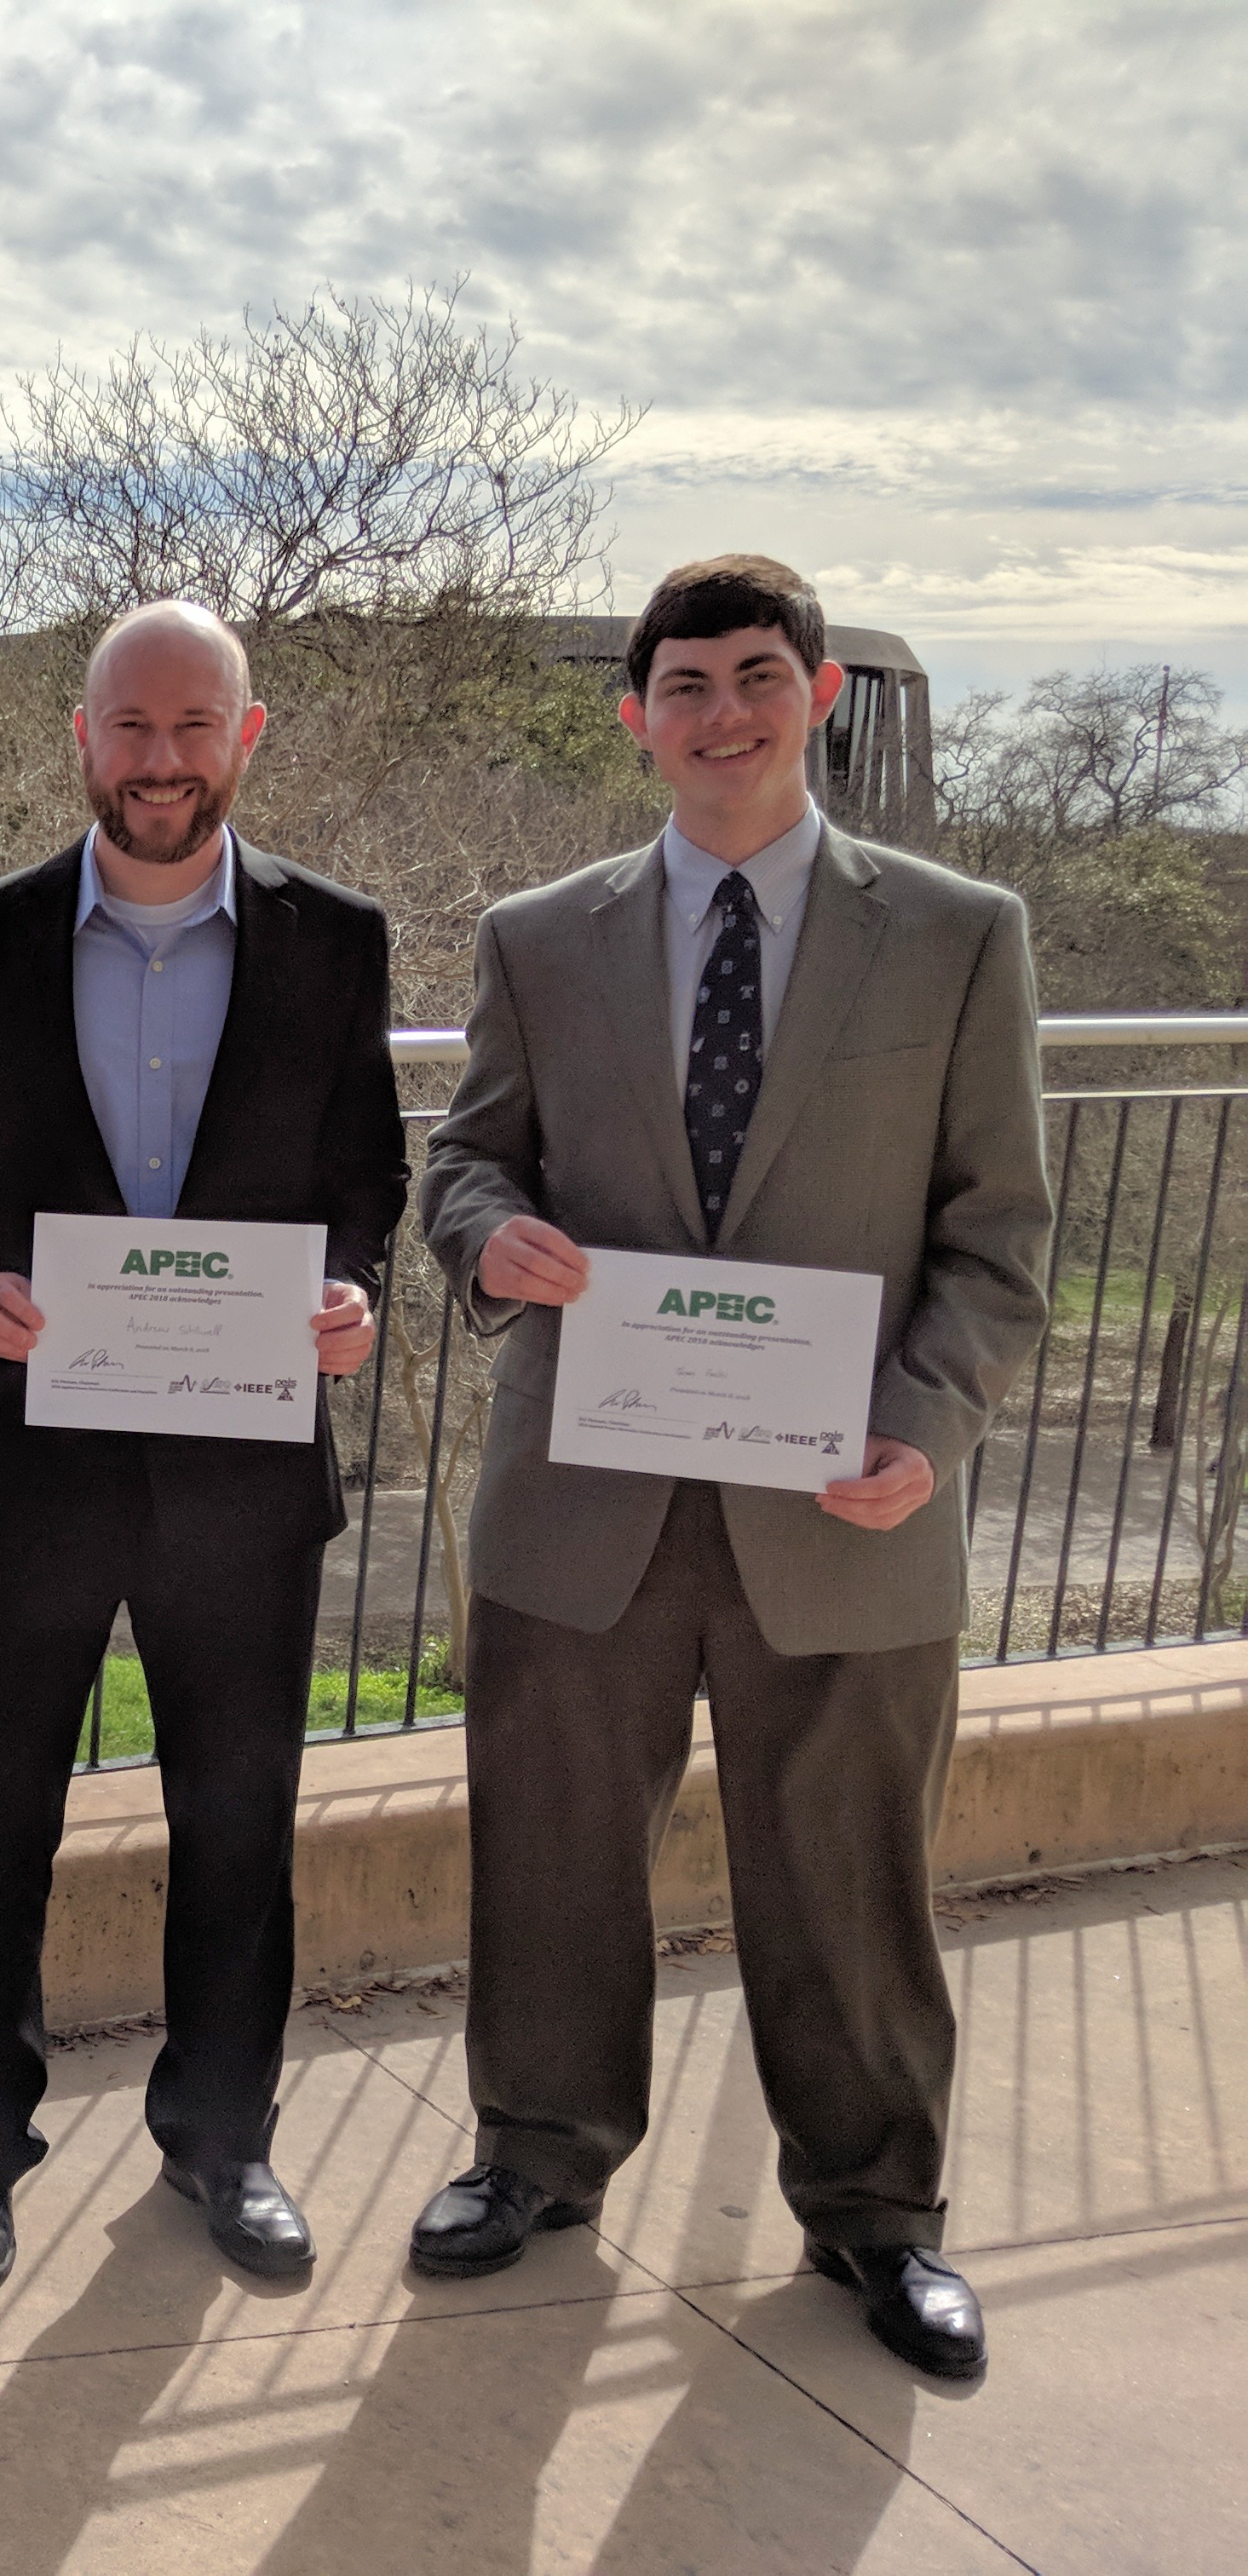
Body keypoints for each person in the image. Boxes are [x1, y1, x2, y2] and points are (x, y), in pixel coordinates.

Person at [410, 555, 1053, 2378]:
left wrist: (922, 1425)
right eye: (685, 685)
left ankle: (878, 2214)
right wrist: (486, 1238)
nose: (723, 713)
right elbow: (467, 1162)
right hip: (582, 1503)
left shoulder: (959, 933)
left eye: (757, 676)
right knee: (548, 1861)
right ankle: (536, 2155)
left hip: (844, 1510)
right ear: (640, 719)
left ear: (820, 694)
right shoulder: (543, 936)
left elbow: (1000, 1233)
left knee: (848, 1878)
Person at [0, 602, 410, 2286]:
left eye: (192, 727)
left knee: (239, 1820)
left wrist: (353, 1296)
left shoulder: (339, 938)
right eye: (130, 727)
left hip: (243, 1476)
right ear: (82, 740)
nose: (160, 760)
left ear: (245, 738)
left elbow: (365, 1173)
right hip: (33, 1463)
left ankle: (221, 2143)